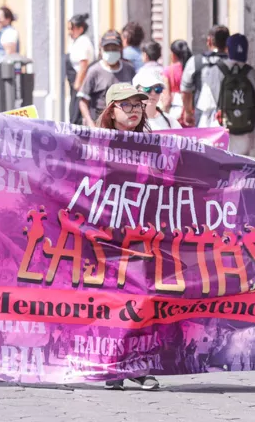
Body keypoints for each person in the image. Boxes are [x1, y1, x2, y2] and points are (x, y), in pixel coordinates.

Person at [92, 83, 161, 390]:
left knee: (142, 295)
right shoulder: (95, 144)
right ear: (112, 111)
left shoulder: (151, 143)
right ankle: (115, 366)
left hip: (142, 234)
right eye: (127, 105)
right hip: (108, 234)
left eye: (138, 105)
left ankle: (138, 364)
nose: (135, 111)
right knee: (115, 297)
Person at [217, 34, 255, 158]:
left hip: (221, 136)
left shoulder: (216, 71)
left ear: (227, 49)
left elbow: (206, 107)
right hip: (246, 136)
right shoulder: (252, 73)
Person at [78, 30, 137, 127]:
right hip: (100, 125)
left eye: (114, 48)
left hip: (124, 125)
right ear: (101, 49)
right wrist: (90, 123)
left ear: (120, 49)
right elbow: (83, 101)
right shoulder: (94, 71)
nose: (111, 51)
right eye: (107, 48)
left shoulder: (129, 69)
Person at [180, 26, 230, 128]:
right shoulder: (236, 63)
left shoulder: (195, 61)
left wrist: (188, 112)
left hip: (202, 117)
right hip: (231, 117)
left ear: (209, 41)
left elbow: (186, 91)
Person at [66, 14, 94, 125]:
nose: (70, 32)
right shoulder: (77, 42)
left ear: (80, 29)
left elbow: (83, 64)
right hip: (75, 85)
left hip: (79, 85)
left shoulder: (83, 42)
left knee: (75, 116)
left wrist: (78, 84)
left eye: (71, 29)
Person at [165, 39, 192, 122]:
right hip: (191, 111)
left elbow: (167, 98)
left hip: (175, 111)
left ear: (173, 54)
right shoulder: (191, 68)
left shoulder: (168, 70)